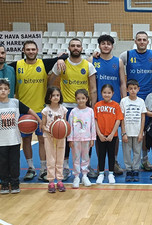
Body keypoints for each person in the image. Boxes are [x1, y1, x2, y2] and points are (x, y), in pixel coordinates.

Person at [11, 40, 67, 182]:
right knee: (26, 140)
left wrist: (60, 58)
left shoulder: (43, 64)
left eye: (33, 49)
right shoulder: (16, 66)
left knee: (43, 140)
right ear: (24, 51)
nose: (30, 51)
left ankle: (43, 169)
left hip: (42, 110)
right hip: (23, 111)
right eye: (28, 49)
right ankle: (30, 168)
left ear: (37, 51)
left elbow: (64, 56)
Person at [50, 38, 97, 181]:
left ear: (82, 48)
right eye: (73, 46)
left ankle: (86, 166)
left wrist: (92, 107)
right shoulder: (61, 64)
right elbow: (51, 81)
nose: (76, 48)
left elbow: (93, 88)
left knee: (86, 137)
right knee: (64, 137)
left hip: (84, 107)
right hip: (66, 107)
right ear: (69, 48)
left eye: (78, 46)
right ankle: (64, 167)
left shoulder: (88, 65)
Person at [119, 31, 152, 172]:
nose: (142, 42)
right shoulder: (126, 55)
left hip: (151, 98)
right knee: (137, 133)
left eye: (144, 39)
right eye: (139, 39)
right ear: (135, 41)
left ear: (148, 41)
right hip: (133, 99)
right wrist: (94, 56)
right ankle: (141, 161)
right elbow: (113, 62)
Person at [0, 79, 41, 194]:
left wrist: (39, 121)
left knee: (14, 163)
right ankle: (4, 184)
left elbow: (29, 110)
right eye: (0, 89)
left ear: (9, 91)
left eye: (5, 89)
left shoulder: (15, 102)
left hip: (14, 139)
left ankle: (14, 183)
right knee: (2, 164)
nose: (3, 91)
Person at [90, 34, 126, 176]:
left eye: (108, 44)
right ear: (99, 46)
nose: (106, 46)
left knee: (114, 135)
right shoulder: (92, 60)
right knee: (100, 135)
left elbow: (123, 83)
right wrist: (92, 105)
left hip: (115, 103)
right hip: (99, 104)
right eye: (103, 43)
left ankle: (114, 161)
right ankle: (100, 162)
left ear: (112, 46)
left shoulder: (119, 62)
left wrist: (123, 101)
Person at [0, 44, 16, 180]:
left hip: (8, 115)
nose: (1, 55)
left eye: (2, 53)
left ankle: (8, 179)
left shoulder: (11, 70)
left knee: (8, 147)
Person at [94, 84, 123, 184]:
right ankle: (101, 173)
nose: (107, 95)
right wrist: (99, 134)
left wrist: (112, 134)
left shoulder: (116, 105)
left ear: (113, 93)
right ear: (101, 93)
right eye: (104, 92)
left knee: (111, 155)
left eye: (109, 93)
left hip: (112, 136)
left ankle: (111, 173)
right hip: (101, 136)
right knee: (101, 155)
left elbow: (118, 120)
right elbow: (95, 120)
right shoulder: (97, 105)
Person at [41, 86, 68, 193]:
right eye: (53, 95)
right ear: (49, 97)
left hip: (61, 137)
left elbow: (65, 125)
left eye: (57, 95)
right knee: (51, 159)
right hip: (49, 137)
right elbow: (42, 125)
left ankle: (60, 180)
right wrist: (49, 131)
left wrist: (62, 132)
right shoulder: (46, 110)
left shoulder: (63, 109)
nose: (56, 97)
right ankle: (51, 181)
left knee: (60, 158)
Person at [67, 89, 96, 188]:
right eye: (78, 98)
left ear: (87, 99)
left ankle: (84, 175)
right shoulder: (73, 112)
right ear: (75, 99)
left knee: (85, 157)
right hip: (75, 139)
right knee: (76, 158)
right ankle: (76, 177)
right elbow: (70, 126)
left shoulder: (90, 111)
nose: (81, 100)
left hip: (86, 138)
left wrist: (92, 138)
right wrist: (70, 139)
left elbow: (92, 125)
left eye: (83, 98)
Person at [120, 79, 147, 182]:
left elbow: (143, 117)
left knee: (137, 151)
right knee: (127, 152)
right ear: (127, 89)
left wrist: (141, 133)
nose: (132, 90)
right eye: (130, 88)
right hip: (127, 131)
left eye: (135, 88)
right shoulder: (123, 101)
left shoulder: (141, 101)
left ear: (138, 89)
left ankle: (135, 169)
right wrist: (123, 133)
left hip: (137, 132)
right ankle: (128, 170)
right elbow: (121, 117)